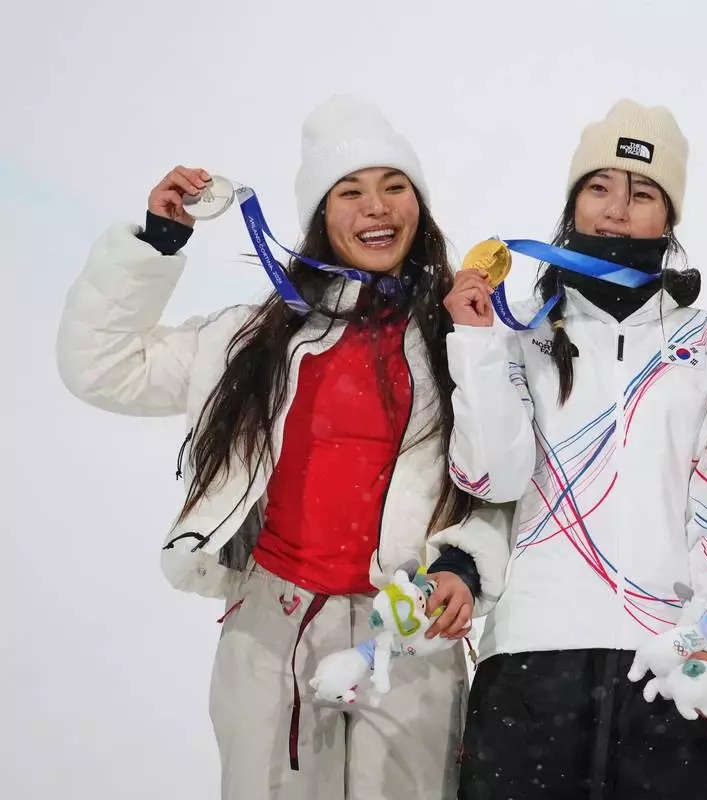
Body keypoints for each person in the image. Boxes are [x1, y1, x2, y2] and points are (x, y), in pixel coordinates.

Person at [55, 94, 509, 800]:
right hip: (273, 628)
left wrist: (467, 568)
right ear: (321, 216)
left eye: (395, 187)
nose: (376, 208)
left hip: (410, 631)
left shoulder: (463, 336)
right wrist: (156, 244)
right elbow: (103, 366)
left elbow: (501, 482)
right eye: (350, 191)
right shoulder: (251, 340)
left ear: (419, 206)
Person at [442, 99, 707, 798]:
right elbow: (489, 476)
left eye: (643, 192)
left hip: (667, 663)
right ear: (572, 204)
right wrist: (474, 343)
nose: (616, 209)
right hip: (532, 659)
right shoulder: (518, 333)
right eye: (599, 187)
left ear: (669, 218)